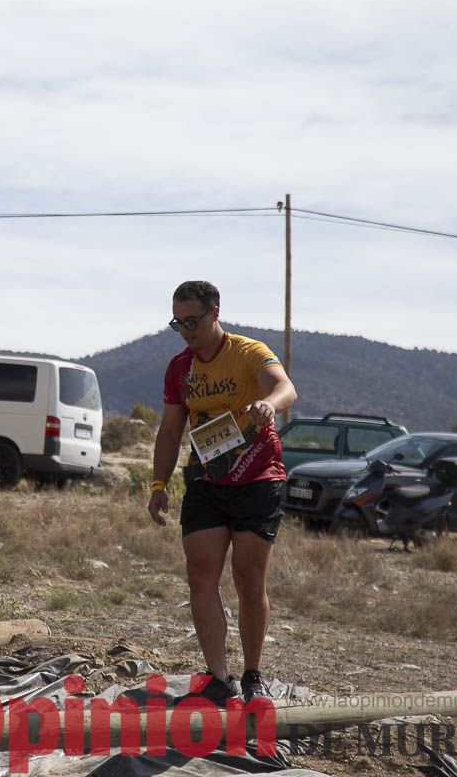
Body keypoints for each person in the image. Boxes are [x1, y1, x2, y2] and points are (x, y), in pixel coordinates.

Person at [148, 281, 297, 704]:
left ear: (215, 313)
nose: (185, 331)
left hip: (258, 479)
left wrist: (269, 403)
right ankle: (218, 676)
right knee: (200, 574)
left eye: (192, 321)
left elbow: (286, 388)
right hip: (206, 479)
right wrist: (158, 484)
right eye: (178, 323)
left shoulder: (248, 352)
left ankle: (253, 674)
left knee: (249, 580)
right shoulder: (180, 367)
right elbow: (171, 429)